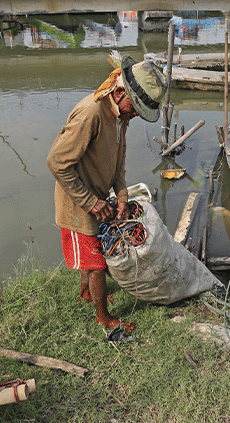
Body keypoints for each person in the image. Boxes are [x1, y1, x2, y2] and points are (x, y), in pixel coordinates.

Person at [47, 55, 166, 333]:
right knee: (97, 263)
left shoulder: (120, 117)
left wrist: (122, 196)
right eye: (134, 108)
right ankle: (104, 317)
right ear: (121, 91)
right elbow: (56, 162)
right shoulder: (91, 113)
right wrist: (90, 202)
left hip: (96, 197)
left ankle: (87, 292)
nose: (134, 114)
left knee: (92, 254)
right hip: (76, 202)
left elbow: (118, 160)